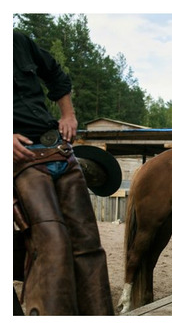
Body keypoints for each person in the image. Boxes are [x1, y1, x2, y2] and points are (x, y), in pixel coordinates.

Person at [13, 30, 114, 315]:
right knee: (53, 245)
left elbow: (55, 73)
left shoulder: (17, 40)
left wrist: (68, 114)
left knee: (89, 246)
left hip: (55, 148)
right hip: (18, 157)